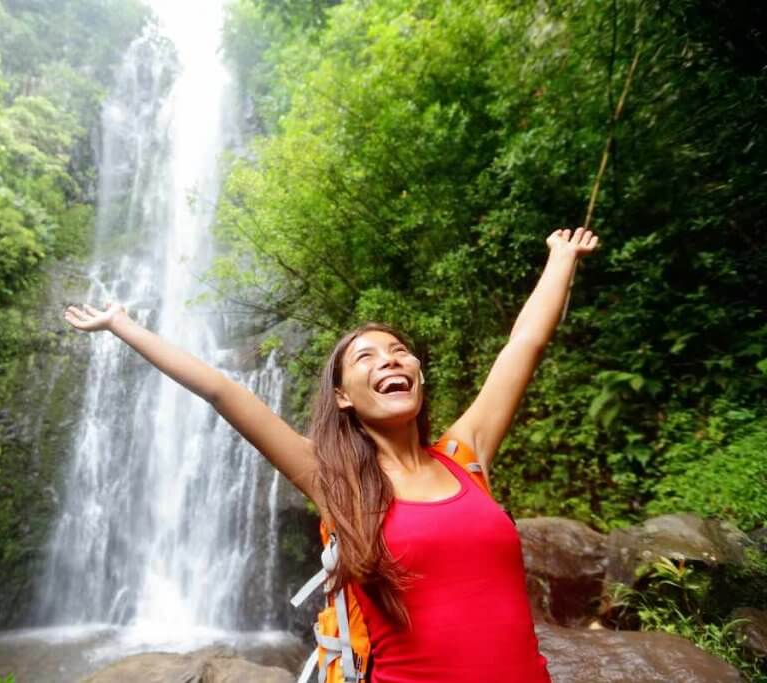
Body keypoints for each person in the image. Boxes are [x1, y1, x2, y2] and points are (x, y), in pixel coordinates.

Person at [63, 226, 599, 682]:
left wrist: (560, 258)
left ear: (417, 374)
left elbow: (523, 346)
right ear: (343, 395)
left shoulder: (467, 453)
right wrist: (121, 325)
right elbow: (223, 391)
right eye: (366, 357)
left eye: (399, 352)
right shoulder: (333, 481)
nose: (389, 360)